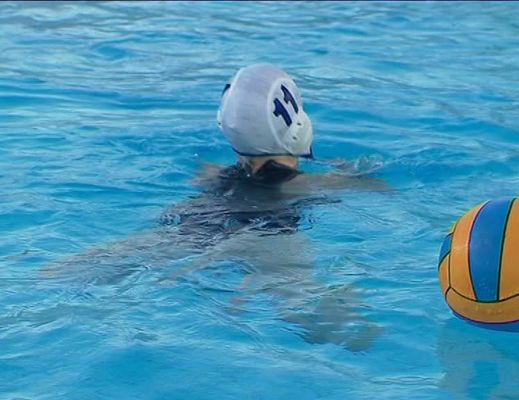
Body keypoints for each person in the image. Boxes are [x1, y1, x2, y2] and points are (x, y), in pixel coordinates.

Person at [46, 64, 388, 351]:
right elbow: (379, 189)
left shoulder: (208, 174)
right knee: (308, 311)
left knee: (84, 267)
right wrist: (353, 172)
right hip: (270, 231)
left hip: (196, 223)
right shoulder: (312, 184)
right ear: (297, 124)